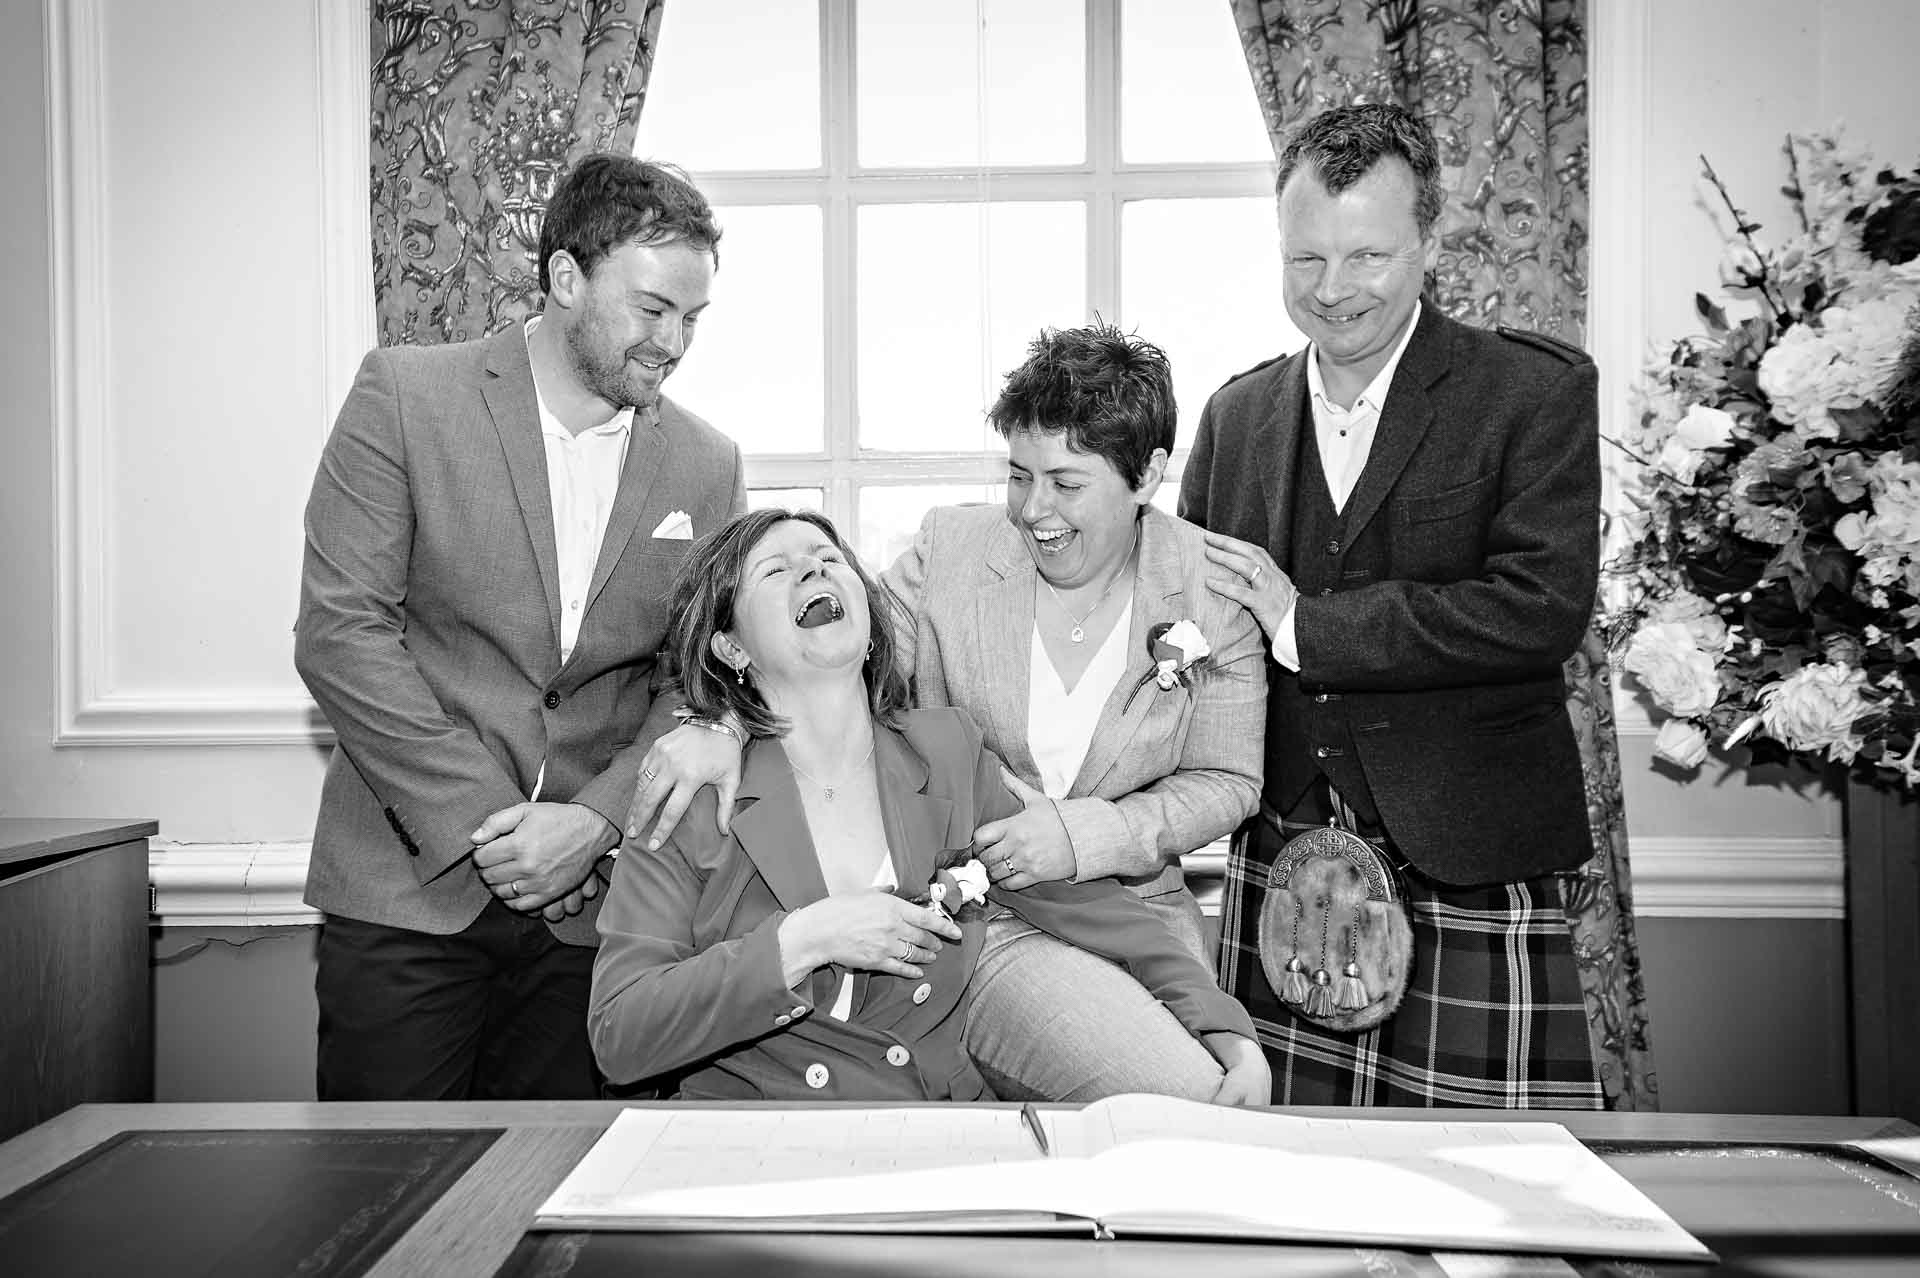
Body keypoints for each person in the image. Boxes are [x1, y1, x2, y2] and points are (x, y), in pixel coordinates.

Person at [628, 324, 1271, 1102]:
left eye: (1066, 483)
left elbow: (1228, 779)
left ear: (1147, 476)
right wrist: (722, 724)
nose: (1034, 510)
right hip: (959, 934)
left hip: (1113, 904)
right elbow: (840, 650)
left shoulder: (1216, 587)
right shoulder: (952, 552)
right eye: (1018, 475)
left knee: (1196, 1109)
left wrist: (1079, 842)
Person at [1179, 102, 1605, 1107]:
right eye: (1304, 261)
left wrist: (1305, 627)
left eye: (1366, 255)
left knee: (1496, 1217)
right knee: (1286, 1213)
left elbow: (1541, 606)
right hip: (1279, 856)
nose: (1332, 291)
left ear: (1430, 239)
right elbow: (1190, 621)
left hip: (1467, 847)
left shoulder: (1530, 392)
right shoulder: (1236, 415)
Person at [294, 154, 747, 1101]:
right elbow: (342, 634)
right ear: (567, 276)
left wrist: (591, 821)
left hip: (594, 913)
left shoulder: (708, 464)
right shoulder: (406, 396)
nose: (674, 343)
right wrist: (486, 831)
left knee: (560, 1221)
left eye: (694, 319)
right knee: (388, 1220)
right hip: (406, 895)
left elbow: (695, 679)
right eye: (652, 308)